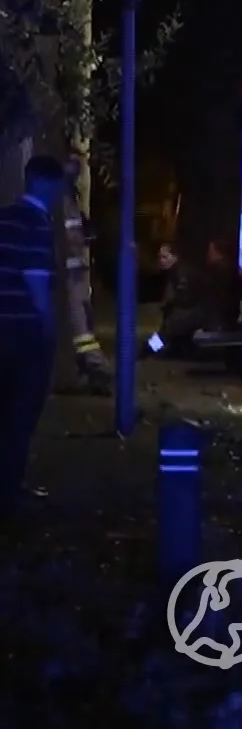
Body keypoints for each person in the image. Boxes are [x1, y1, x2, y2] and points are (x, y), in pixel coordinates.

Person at [0, 156, 64, 513]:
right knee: (21, 415)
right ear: (47, 183)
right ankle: (10, 493)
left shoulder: (4, 219)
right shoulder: (38, 227)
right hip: (23, 334)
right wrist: (48, 331)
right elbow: (37, 286)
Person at [59, 156, 108, 393]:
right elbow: (73, 235)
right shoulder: (67, 197)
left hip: (71, 270)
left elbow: (73, 235)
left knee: (81, 325)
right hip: (73, 269)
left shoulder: (66, 198)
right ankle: (94, 369)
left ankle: (96, 369)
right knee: (81, 324)